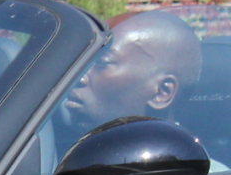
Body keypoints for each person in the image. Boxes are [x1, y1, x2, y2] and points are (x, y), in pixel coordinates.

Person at [56, 9, 202, 137]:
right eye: (83, 60)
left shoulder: (195, 169)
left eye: (103, 63)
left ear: (161, 93)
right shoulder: (54, 156)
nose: (78, 76)